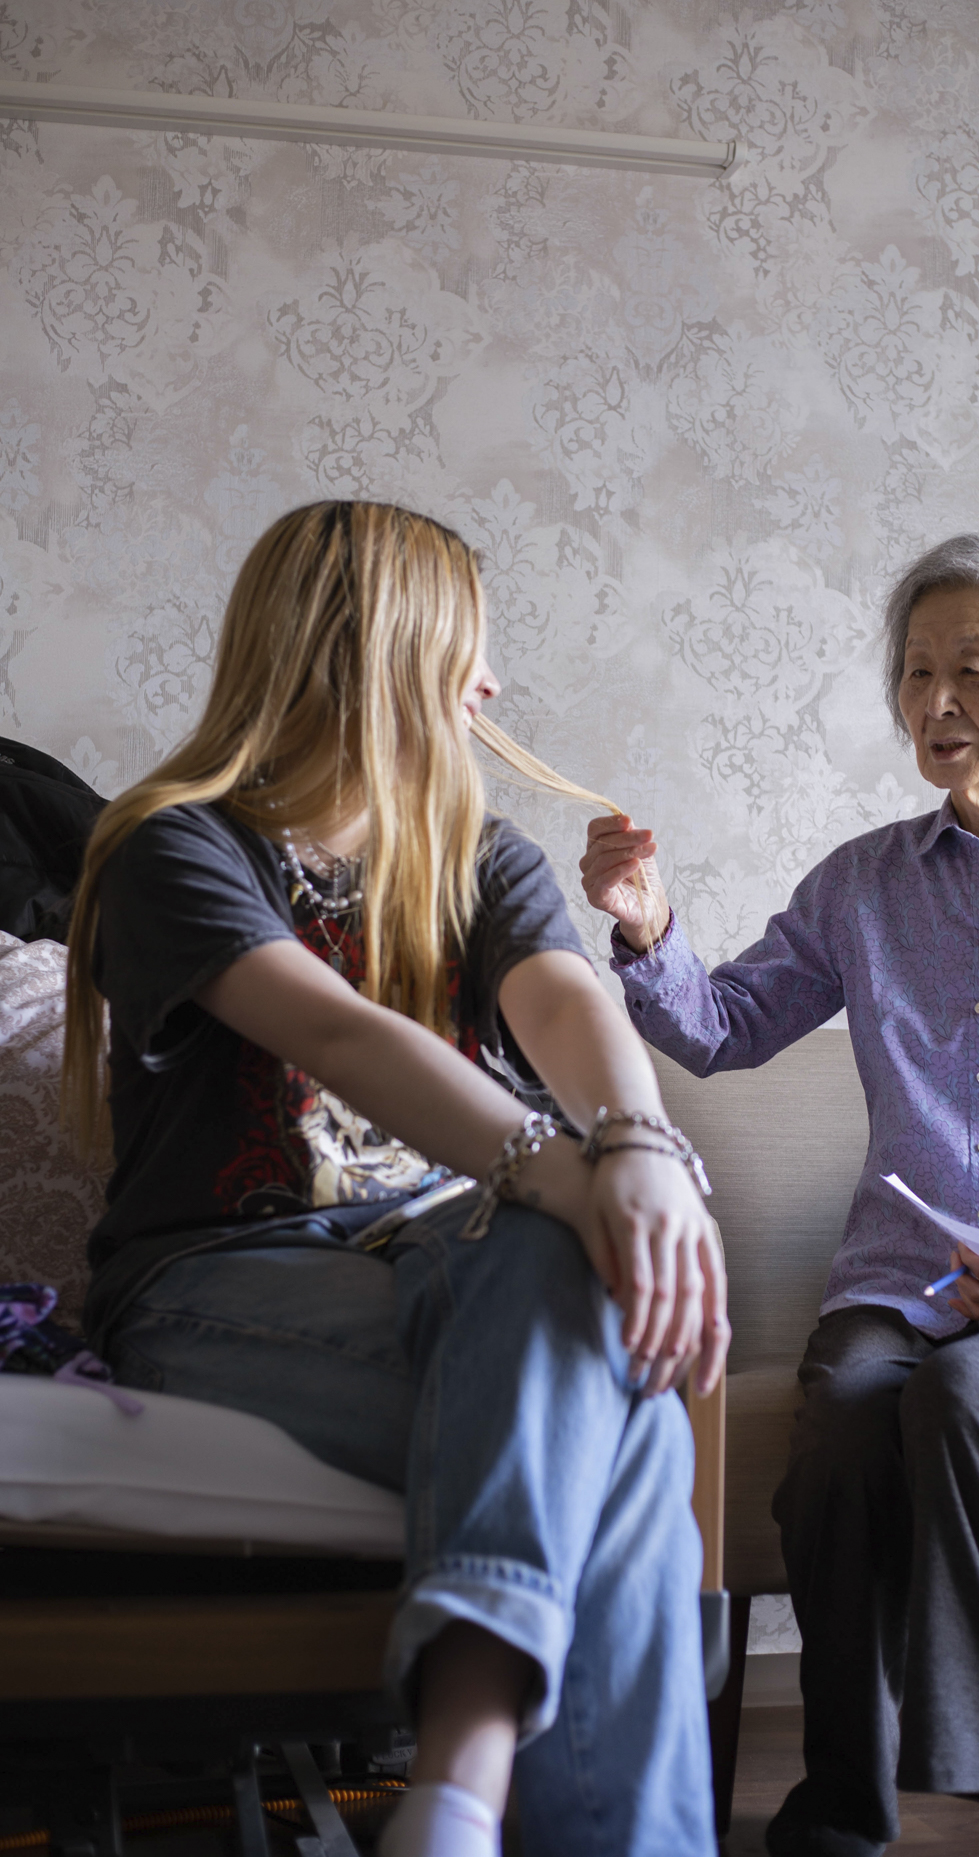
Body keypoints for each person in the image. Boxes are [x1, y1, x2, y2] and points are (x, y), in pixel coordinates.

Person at [63, 500, 729, 1857]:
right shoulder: (172, 845)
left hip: (455, 1260)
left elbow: (566, 1005)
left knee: (556, 1258)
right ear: (379, 653)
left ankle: (454, 1798)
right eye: (468, 647)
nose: (491, 685)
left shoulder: (480, 854)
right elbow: (338, 1035)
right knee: (633, 1424)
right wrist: (566, 1168)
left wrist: (640, 1149)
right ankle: (472, 1786)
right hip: (221, 1282)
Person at [580, 533, 979, 1857]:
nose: (934, 700)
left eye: (971, 670)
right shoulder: (862, 884)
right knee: (842, 1425)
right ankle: (846, 1800)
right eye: (916, 670)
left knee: (969, 1396)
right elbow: (723, 1027)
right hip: (907, 1285)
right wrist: (648, 927)